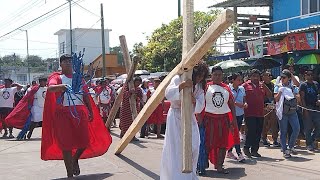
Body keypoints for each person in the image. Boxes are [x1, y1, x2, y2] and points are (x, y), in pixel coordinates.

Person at [41, 54, 112, 178]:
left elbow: (85, 95)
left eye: (70, 61)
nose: (68, 63)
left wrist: (90, 110)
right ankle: (69, 174)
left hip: (79, 113)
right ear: (61, 64)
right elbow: (51, 88)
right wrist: (61, 87)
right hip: (63, 115)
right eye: (65, 61)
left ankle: (74, 159)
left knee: (84, 142)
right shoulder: (57, 77)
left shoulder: (79, 78)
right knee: (66, 145)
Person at [160, 63, 207, 180]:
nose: (200, 79)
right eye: (198, 75)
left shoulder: (199, 86)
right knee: (176, 149)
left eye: (202, 76)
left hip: (189, 117)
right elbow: (168, 94)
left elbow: (200, 106)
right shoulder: (177, 78)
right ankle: (175, 176)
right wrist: (182, 86)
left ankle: (189, 175)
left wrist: (193, 100)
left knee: (194, 145)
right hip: (175, 117)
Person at [201, 66, 237, 174]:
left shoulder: (226, 88)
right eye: (215, 74)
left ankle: (220, 165)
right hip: (208, 119)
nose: (217, 77)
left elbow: (231, 104)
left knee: (223, 144)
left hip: (223, 120)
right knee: (207, 143)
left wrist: (233, 119)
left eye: (219, 75)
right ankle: (203, 164)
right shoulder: (205, 87)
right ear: (211, 75)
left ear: (222, 76)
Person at [243, 69, 272, 158]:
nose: (255, 78)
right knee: (251, 130)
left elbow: (270, 95)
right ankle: (246, 147)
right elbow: (242, 97)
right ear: (250, 76)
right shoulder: (245, 85)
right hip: (249, 112)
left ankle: (255, 150)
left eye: (257, 76)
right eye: (253, 76)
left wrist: (264, 86)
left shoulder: (262, 86)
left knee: (258, 132)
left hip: (260, 113)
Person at [274, 70, 300, 158]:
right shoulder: (278, 87)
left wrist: (291, 93)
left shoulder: (293, 87)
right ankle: (285, 150)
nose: (282, 79)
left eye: (284, 77)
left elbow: (298, 98)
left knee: (296, 129)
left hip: (292, 111)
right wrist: (281, 91)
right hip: (282, 112)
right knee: (283, 131)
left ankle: (291, 146)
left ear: (289, 78)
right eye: (281, 77)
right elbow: (276, 99)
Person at [227, 73, 247, 163]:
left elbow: (244, 99)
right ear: (233, 80)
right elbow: (229, 101)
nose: (240, 81)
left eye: (240, 80)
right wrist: (236, 104)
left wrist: (245, 104)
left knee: (236, 132)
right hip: (231, 114)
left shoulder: (242, 88)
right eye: (238, 80)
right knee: (235, 134)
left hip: (240, 113)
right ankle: (239, 153)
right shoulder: (228, 89)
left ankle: (229, 151)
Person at [299, 69, 320, 151]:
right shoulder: (303, 85)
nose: (310, 76)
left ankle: (312, 139)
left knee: (318, 125)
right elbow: (302, 98)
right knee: (308, 127)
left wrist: (319, 100)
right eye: (308, 75)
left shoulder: (316, 84)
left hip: (315, 108)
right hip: (307, 107)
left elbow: (318, 93)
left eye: (311, 74)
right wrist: (305, 109)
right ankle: (309, 144)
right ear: (305, 76)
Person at [261, 71, 280, 147]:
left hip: (272, 106)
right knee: (264, 123)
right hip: (264, 106)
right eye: (264, 75)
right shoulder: (261, 85)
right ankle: (264, 138)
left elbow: (272, 94)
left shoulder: (273, 85)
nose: (266, 77)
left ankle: (275, 139)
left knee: (274, 123)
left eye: (268, 75)